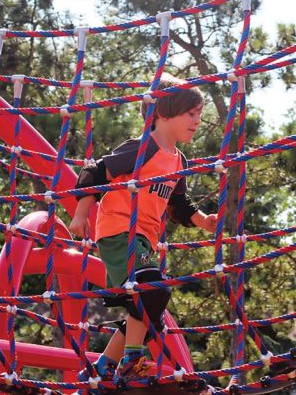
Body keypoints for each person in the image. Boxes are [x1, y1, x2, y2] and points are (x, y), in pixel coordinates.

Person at [70, 74, 217, 383]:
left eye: (200, 115)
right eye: (191, 113)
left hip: (143, 240)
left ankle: (103, 367)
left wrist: (203, 220)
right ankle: (131, 359)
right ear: (164, 113)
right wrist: (81, 212)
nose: (197, 121)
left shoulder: (178, 161)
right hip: (119, 231)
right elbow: (98, 170)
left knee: (151, 308)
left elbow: (179, 204)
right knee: (153, 289)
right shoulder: (142, 149)